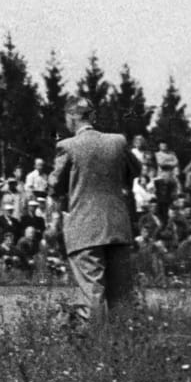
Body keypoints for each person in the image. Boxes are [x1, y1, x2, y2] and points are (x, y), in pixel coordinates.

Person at [48, 96, 140, 325]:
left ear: (70, 118)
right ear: (93, 116)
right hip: (118, 226)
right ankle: (125, 345)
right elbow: (135, 170)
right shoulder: (117, 142)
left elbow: (54, 186)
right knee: (122, 295)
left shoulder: (67, 147)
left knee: (92, 292)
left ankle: (96, 346)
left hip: (85, 229)